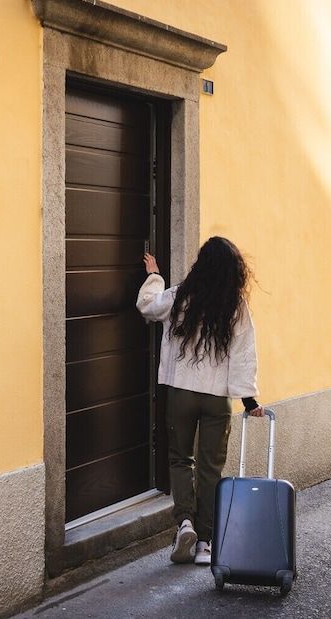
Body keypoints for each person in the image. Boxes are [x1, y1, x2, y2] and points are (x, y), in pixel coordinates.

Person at [136, 236, 263, 566]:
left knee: (180, 459)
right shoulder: (236, 306)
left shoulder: (180, 296)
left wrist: (154, 276)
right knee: (211, 469)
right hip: (217, 398)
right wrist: (249, 401)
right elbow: (243, 355)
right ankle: (205, 544)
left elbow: (147, 305)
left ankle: (185, 524)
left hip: (181, 392)